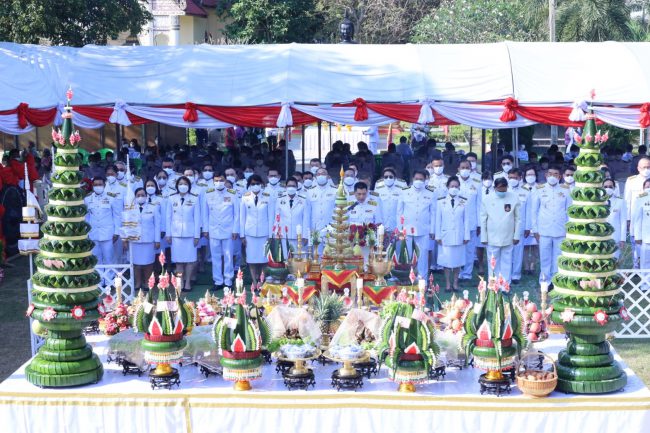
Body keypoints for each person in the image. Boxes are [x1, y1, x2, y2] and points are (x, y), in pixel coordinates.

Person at [531, 165, 572, 283]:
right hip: (544, 230)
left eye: (555, 174)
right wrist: (535, 230)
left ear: (560, 177)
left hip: (560, 230)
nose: (552, 176)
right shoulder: (539, 189)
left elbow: (568, 211)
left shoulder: (565, 190)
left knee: (558, 258)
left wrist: (568, 230)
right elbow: (534, 211)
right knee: (544, 258)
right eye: (550, 174)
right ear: (546, 175)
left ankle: (556, 282)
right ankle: (544, 282)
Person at [202, 172, 240, 290]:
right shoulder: (208, 194)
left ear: (225, 180)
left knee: (228, 256)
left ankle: (228, 281)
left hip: (228, 230)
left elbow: (237, 214)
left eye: (221, 180)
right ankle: (218, 281)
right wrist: (205, 229)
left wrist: (235, 230)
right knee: (215, 256)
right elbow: (205, 213)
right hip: (213, 229)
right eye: (216, 180)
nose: (219, 182)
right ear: (213, 181)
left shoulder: (232, 194)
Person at [480, 177, 520, 283]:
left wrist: (517, 236)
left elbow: (518, 219)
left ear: (507, 187)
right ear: (495, 188)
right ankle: (493, 285)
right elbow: (483, 219)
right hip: (492, 237)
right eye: (499, 190)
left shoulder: (514, 197)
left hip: (509, 236)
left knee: (507, 262)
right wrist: (484, 237)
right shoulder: (487, 199)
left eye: (504, 189)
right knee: (493, 262)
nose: (502, 192)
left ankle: (505, 285)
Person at [165, 176, 201, 292]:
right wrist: (168, 234)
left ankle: (188, 282)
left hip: (190, 235)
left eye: (185, 183)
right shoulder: (171, 198)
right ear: (177, 186)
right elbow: (168, 217)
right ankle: (179, 283)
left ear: (189, 186)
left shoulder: (194, 198)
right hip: (175, 235)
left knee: (190, 261)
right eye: (180, 183)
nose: (183, 186)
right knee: (179, 261)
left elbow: (197, 218)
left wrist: (196, 236)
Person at [397, 170, 436, 278]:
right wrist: (400, 230)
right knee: (408, 256)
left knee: (422, 257)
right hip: (407, 229)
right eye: (416, 179)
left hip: (424, 230)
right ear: (412, 179)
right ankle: (408, 280)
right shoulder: (404, 191)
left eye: (421, 179)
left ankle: (423, 282)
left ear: (425, 180)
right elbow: (399, 212)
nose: (418, 181)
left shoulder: (431, 193)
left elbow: (433, 213)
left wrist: (432, 230)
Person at [240, 174, 274, 290]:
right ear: (249, 185)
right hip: (249, 234)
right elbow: (242, 217)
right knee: (252, 259)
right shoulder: (245, 198)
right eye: (253, 184)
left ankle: (263, 283)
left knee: (264, 260)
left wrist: (271, 235)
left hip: (264, 234)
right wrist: (242, 235)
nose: (255, 186)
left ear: (262, 184)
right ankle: (255, 283)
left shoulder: (268, 197)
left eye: (257, 183)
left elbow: (271, 217)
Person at [436, 176, 470, 292]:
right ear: (447, 187)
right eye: (452, 186)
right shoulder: (441, 201)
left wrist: (466, 236)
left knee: (457, 261)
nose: (454, 188)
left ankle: (455, 283)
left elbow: (466, 220)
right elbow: (438, 220)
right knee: (446, 261)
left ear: (459, 187)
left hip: (459, 235)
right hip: (445, 235)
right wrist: (438, 236)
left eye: (456, 186)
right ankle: (447, 284)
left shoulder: (463, 201)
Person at [125, 187, 160, 291]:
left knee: (148, 263)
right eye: (138, 195)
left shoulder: (153, 207)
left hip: (149, 240)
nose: (141, 197)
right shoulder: (130, 208)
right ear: (135, 197)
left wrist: (157, 240)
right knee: (136, 264)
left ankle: (146, 283)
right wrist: (125, 240)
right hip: (134, 240)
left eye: (143, 195)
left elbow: (157, 225)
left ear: (146, 196)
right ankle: (138, 283)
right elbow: (127, 225)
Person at [85, 177, 121, 266]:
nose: (98, 186)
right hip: (93, 233)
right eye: (95, 185)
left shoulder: (111, 197)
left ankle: (110, 279)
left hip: (108, 233)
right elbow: (87, 217)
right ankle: (99, 279)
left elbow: (117, 215)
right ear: (92, 186)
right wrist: (87, 232)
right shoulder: (87, 199)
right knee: (96, 258)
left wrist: (116, 232)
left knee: (109, 258)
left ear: (104, 185)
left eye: (100, 184)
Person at [456, 160, 480, 280]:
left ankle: (467, 273)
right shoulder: (453, 182)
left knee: (470, 250)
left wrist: (479, 224)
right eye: (462, 167)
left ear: (471, 169)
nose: (465, 169)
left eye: (467, 167)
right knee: (458, 248)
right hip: (457, 222)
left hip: (471, 221)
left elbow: (479, 204)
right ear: (458, 169)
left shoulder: (477, 183)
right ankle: (457, 272)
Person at [624, 156, 650, 268]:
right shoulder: (631, 181)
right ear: (638, 168)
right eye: (644, 167)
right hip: (636, 219)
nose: (646, 169)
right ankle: (636, 268)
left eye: (648, 167)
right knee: (636, 244)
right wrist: (628, 219)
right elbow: (627, 201)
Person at [274, 178, 310, 257]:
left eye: (293, 186)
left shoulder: (303, 200)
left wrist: (305, 235)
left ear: (297, 187)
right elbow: (277, 218)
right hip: (284, 235)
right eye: (289, 185)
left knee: (298, 259)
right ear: (286, 187)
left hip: (298, 237)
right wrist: (276, 233)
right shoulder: (279, 200)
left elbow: (306, 219)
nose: (291, 188)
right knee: (286, 260)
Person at [507, 168, 531, 284]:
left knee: (518, 251)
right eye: (510, 177)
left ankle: (516, 275)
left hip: (520, 226)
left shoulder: (526, 192)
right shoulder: (504, 191)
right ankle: (506, 273)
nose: (512, 180)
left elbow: (529, 210)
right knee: (506, 250)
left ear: (520, 178)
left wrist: (528, 227)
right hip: (506, 226)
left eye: (515, 178)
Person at [306, 168, 338, 253]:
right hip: (315, 229)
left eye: (323, 174)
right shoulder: (310, 191)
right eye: (318, 174)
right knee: (316, 256)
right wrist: (307, 231)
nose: (321, 176)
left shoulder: (335, 191)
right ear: (315, 177)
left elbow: (338, 210)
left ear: (328, 176)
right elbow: (307, 213)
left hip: (331, 229)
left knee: (331, 256)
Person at [603, 179, 627, 261]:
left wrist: (622, 239)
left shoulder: (620, 202)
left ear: (614, 188)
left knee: (614, 261)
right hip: (601, 237)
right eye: (605, 187)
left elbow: (623, 222)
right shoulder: (597, 202)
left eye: (610, 187)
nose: (608, 188)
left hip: (615, 237)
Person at [522, 166, 539, 275]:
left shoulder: (540, 187)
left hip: (537, 220)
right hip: (525, 220)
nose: (530, 177)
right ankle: (525, 265)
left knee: (534, 246)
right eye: (528, 175)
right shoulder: (522, 188)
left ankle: (532, 265)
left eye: (532, 174)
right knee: (525, 245)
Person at [375, 168, 402, 234]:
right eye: (386, 177)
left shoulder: (400, 189)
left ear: (395, 178)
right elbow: (376, 208)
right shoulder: (378, 189)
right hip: (382, 224)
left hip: (396, 225)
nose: (388, 178)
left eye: (390, 177)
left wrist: (400, 226)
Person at [633, 178, 650, 269]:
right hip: (646, 237)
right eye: (647, 187)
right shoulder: (640, 199)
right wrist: (638, 236)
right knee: (645, 263)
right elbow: (637, 220)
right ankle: (645, 283)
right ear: (643, 188)